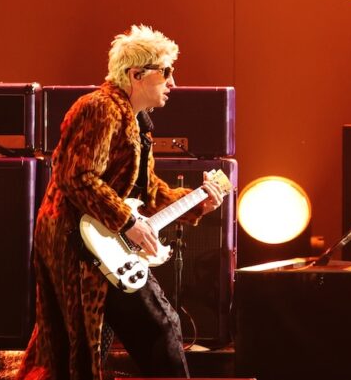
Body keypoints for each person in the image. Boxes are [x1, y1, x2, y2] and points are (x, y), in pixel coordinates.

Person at [20, 24, 225, 380]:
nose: (173, 83)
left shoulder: (137, 121)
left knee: (100, 344)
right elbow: (76, 176)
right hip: (76, 245)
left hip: (102, 244)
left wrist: (197, 202)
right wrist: (128, 223)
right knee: (140, 331)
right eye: (166, 73)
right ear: (136, 75)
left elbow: (147, 191)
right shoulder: (99, 108)